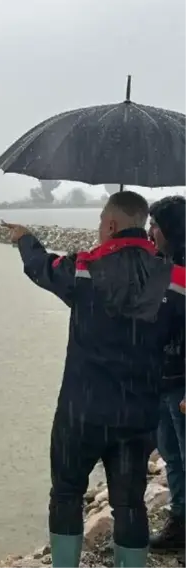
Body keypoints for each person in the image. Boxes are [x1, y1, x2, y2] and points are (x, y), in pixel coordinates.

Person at [3, 191, 186, 568]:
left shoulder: (83, 270)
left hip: (81, 412)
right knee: (130, 503)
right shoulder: (176, 281)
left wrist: (25, 239)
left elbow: (42, 267)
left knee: (67, 495)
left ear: (113, 225)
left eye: (101, 223)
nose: (99, 230)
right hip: (137, 416)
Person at [147, 196, 186, 551]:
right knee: (171, 456)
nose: (150, 231)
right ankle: (180, 522)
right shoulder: (161, 264)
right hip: (162, 379)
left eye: (155, 224)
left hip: (182, 385)